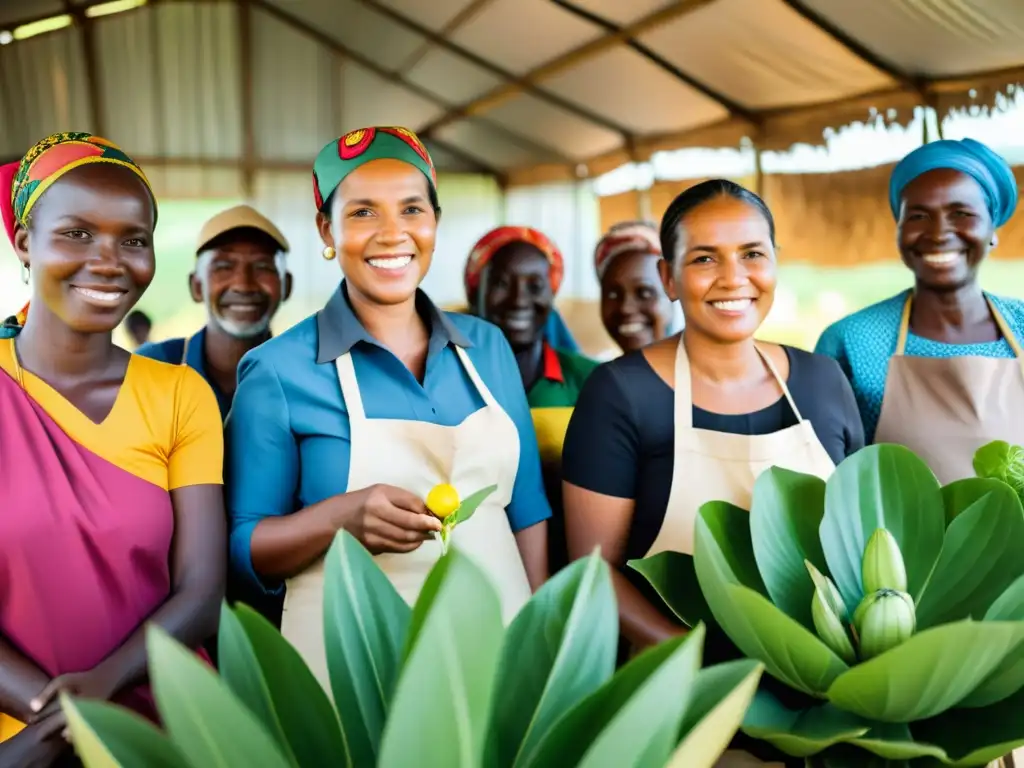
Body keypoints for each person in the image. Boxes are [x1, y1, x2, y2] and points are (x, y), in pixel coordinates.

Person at [225, 126, 551, 691]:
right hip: (354, 672)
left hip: (499, 658)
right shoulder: (278, 371)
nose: (392, 234)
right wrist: (337, 518)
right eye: (363, 213)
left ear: (435, 222)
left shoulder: (488, 347)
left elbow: (525, 510)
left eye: (411, 209)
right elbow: (244, 548)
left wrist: (539, 639)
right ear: (327, 229)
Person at [562, 179, 864, 657]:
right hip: (677, 683)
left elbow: (858, 543)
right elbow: (592, 569)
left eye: (752, 254)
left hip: (823, 675)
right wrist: (696, 661)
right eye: (704, 258)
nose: (733, 278)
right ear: (668, 278)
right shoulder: (620, 393)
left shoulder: (823, 381)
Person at [0, 133, 224, 765]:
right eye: (76, 233)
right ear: (24, 243)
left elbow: (201, 591)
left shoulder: (180, 394)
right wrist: (55, 721)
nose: (109, 260)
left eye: (133, 239)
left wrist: (93, 698)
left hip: (163, 733)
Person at [816, 138, 1023, 483]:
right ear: (899, 230)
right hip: (895, 538)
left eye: (962, 214)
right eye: (918, 216)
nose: (939, 233)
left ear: (992, 230)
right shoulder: (851, 341)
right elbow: (828, 480)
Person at [467, 225, 599, 573]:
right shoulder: (448, 379)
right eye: (501, 283)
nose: (518, 298)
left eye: (535, 285)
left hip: (572, 561)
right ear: (474, 292)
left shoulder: (591, 381)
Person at [136, 204, 292, 421]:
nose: (243, 285)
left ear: (287, 286)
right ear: (197, 287)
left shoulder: (305, 377)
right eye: (224, 266)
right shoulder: (153, 368)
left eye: (263, 267)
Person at [594, 220, 677, 354]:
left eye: (644, 293)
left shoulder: (711, 372)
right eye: (612, 295)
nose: (625, 308)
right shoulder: (602, 373)